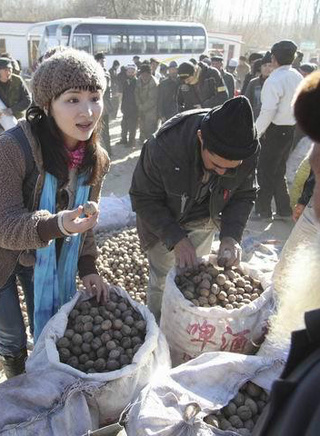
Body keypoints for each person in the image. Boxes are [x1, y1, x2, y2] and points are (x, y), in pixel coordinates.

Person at [0, 48, 110, 378]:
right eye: (72, 99)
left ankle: (45, 375)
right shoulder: (11, 148)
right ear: (47, 105)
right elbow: (3, 223)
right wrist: (57, 224)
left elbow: (85, 221)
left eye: (95, 96)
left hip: (45, 252)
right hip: (3, 255)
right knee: (12, 336)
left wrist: (88, 266)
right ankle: (16, 378)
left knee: (50, 327)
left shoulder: (95, 158)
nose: (88, 111)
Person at [130, 96, 259, 322]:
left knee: (194, 275)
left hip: (205, 214)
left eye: (230, 169)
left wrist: (231, 237)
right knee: (163, 278)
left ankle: (185, 326)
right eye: (216, 164)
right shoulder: (164, 146)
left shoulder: (246, 149)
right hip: (165, 215)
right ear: (201, 138)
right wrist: (176, 238)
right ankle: (158, 324)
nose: (221, 173)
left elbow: (244, 194)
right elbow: (143, 197)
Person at [254, 40, 303, 220]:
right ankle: (284, 209)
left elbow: (268, 111)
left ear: (273, 58)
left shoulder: (274, 79)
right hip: (290, 129)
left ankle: (263, 210)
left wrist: (256, 132)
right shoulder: (297, 75)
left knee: (265, 171)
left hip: (274, 130)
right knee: (278, 170)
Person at [0, 57, 31, 122]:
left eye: (10, 69)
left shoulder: (17, 80)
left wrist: (11, 110)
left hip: (18, 119)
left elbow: (27, 100)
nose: (8, 72)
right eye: (5, 70)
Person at [135, 63, 159, 142]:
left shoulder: (154, 83)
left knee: (150, 128)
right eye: (142, 74)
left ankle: (151, 142)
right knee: (141, 125)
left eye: (146, 75)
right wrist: (139, 105)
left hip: (152, 109)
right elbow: (136, 93)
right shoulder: (139, 80)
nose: (144, 77)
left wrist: (142, 107)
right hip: (141, 107)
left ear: (150, 74)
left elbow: (153, 100)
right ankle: (142, 140)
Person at [245, 52, 272, 120]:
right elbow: (247, 102)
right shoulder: (253, 83)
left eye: (270, 66)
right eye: (265, 65)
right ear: (261, 68)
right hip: (255, 118)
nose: (267, 68)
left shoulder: (276, 82)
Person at [94, 52, 112, 156]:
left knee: (105, 130)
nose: (103, 63)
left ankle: (108, 151)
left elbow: (105, 87)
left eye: (104, 61)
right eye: (102, 61)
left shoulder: (105, 73)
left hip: (104, 106)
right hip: (96, 105)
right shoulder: (94, 72)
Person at [120, 63, 138, 147]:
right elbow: (124, 95)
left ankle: (131, 142)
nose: (130, 73)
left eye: (132, 71)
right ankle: (123, 140)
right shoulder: (125, 81)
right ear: (126, 72)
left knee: (132, 126)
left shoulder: (137, 82)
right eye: (129, 71)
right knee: (124, 125)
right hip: (126, 107)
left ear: (135, 72)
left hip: (134, 108)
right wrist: (122, 106)